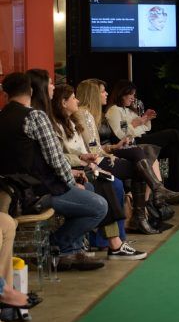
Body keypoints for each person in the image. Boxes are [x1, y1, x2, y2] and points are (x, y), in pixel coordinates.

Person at [0, 72, 106, 270]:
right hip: (36, 193)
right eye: (50, 83)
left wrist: (71, 177)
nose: (53, 87)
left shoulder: (2, 116)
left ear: (6, 94)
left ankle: (72, 251)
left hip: (12, 193)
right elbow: (55, 159)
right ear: (31, 90)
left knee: (88, 188)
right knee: (99, 206)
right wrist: (70, 183)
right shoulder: (35, 116)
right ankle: (55, 247)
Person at [50, 84, 150, 259]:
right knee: (111, 183)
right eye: (73, 98)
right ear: (64, 103)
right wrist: (85, 159)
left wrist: (102, 154)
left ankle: (114, 241)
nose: (77, 101)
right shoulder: (59, 125)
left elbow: (87, 149)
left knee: (113, 180)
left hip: (85, 167)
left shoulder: (73, 121)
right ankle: (113, 243)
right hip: (76, 171)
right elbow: (61, 156)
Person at [105, 80, 179, 192]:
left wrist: (145, 119)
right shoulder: (115, 110)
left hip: (139, 138)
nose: (133, 98)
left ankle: (177, 189)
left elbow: (143, 128)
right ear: (121, 94)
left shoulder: (128, 110)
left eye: (134, 95)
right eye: (130, 94)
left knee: (172, 149)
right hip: (131, 143)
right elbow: (121, 133)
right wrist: (136, 123)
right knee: (173, 134)